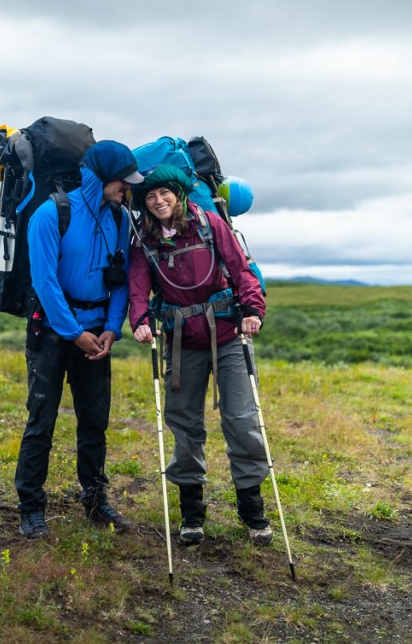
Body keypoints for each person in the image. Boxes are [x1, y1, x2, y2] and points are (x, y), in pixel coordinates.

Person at [128, 164, 271, 546]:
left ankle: (252, 509)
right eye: (150, 197)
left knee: (241, 420)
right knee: (184, 426)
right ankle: (192, 513)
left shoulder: (209, 223)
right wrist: (139, 320)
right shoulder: (143, 239)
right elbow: (138, 287)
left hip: (227, 334)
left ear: (178, 193)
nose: (158, 201)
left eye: (164, 194)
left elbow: (240, 270)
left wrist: (253, 310)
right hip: (179, 340)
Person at [14, 140, 144, 540]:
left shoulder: (120, 219)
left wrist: (111, 328)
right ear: (103, 176)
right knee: (42, 421)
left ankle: (95, 500)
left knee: (94, 423)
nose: (128, 189)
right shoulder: (51, 213)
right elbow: (45, 281)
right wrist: (75, 333)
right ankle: (31, 508)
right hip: (53, 333)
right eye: (124, 181)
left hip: (97, 335)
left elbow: (119, 278)